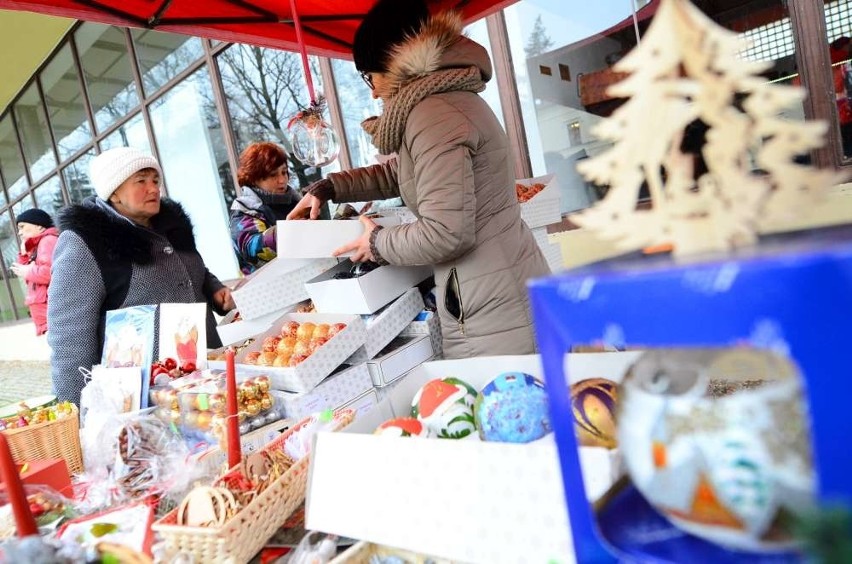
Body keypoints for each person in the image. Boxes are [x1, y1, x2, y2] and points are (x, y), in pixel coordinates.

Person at [287, 0, 550, 358]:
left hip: (492, 307)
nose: (374, 92)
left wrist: (377, 244)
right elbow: (405, 173)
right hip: (502, 284)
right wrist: (332, 187)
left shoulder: (433, 114)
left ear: (393, 62)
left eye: (370, 76)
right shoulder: (446, 98)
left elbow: (447, 233)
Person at [48, 147, 235, 406]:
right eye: (141, 181)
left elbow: (194, 269)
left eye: (155, 180)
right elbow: (70, 339)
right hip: (151, 398)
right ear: (113, 192)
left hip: (210, 373)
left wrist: (215, 289)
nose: (153, 188)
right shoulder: (86, 242)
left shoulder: (171, 225)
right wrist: (77, 412)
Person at [230, 142, 301, 274]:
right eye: (273, 175)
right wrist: (291, 230)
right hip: (273, 289)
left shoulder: (298, 202)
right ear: (254, 178)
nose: (282, 180)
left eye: (284, 172)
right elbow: (253, 249)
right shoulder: (244, 211)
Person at [11, 208, 58, 336]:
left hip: (53, 318)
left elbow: (50, 272)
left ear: (38, 225)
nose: (19, 233)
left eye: (22, 227)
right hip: (47, 320)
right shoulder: (37, 246)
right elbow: (26, 275)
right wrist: (24, 254)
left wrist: (28, 271)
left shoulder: (47, 241)